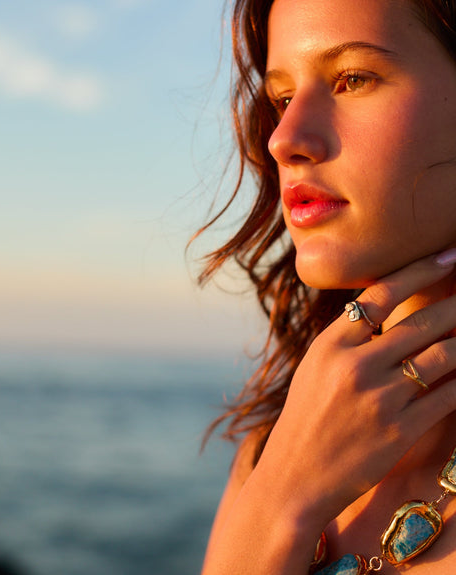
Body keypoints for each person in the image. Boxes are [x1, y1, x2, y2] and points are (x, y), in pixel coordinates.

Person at [198, 0, 456, 573]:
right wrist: (278, 503)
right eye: (283, 99)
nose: (284, 139)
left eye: (352, 79)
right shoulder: (281, 448)